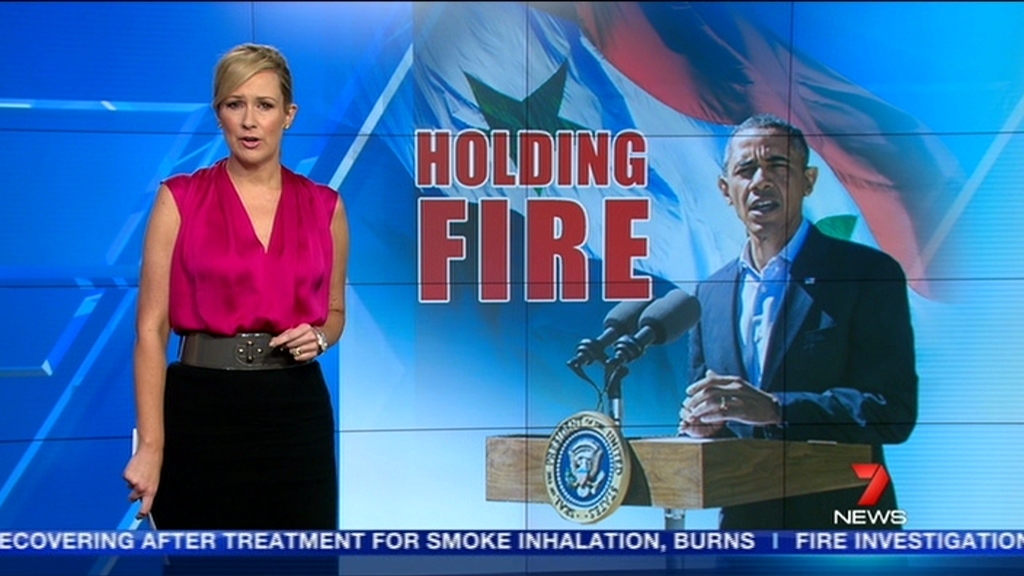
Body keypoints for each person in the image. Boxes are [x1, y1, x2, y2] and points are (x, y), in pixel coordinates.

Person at [121, 43, 348, 537]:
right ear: (218, 113)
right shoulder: (179, 199)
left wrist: (320, 337)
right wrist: (152, 446)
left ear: (288, 115)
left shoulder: (326, 207)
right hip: (200, 410)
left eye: (264, 105)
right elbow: (151, 330)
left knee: (300, 566)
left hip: (295, 412)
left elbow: (334, 313)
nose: (249, 121)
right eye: (234, 104)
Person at [679, 114, 917, 529]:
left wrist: (775, 409)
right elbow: (721, 415)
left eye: (777, 165)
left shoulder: (866, 274)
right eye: (746, 170)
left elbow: (890, 411)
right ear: (726, 190)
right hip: (745, 531)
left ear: (808, 181)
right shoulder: (711, 294)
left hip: (846, 525)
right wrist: (703, 424)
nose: (761, 181)